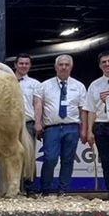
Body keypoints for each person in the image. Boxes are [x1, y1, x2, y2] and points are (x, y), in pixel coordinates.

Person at [33, 54, 86, 196]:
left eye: (66, 65)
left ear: (71, 67)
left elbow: (82, 109)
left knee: (68, 160)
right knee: (50, 159)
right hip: (52, 128)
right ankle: (45, 190)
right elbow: (38, 105)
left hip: (72, 127)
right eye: (61, 65)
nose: (63, 67)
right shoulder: (44, 85)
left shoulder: (79, 86)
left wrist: (84, 129)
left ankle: (63, 190)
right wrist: (38, 123)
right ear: (56, 67)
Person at [82, 51, 109, 200]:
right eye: (104, 62)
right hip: (101, 125)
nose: (107, 64)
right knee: (107, 163)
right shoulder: (95, 85)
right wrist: (89, 131)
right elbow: (91, 110)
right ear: (100, 65)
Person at [14, 53, 41, 194]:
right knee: (9, 154)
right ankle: (12, 187)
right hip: (9, 126)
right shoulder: (7, 81)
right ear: (15, 65)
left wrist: (38, 123)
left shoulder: (35, 84)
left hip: (28, 123)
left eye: (26, 63)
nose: (23, 66)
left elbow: (37, 104)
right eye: (21, 63)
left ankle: (30, 189)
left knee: (28, 156)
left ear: (30, 66)